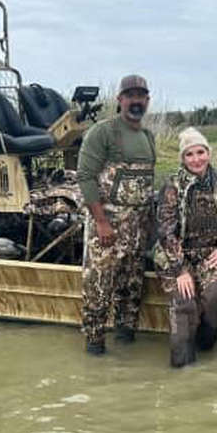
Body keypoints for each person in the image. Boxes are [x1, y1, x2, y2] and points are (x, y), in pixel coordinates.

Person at [76, 74, 155, 355]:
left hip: (138, 229)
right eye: (130, 95)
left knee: (131, 291)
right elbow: (85, 177)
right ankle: (94, 347)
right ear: (120, 100)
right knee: (98, 290)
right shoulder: (103, 132)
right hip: (107, 229)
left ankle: (126, 347)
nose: (136, 101)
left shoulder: (148, 136)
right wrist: (101, 222)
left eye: (141, 96)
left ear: (147, 100)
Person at [154, 127, 217, 367]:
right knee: (184, 301)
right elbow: (165, 231)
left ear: (208, 153)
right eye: (189, 154)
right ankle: (182, 365)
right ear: (183, 159)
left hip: (210, 255)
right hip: (176, 256)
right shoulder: (172, 186)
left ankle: (205, 346)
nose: (196, 159)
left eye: (200, 152)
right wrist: (180, 269)